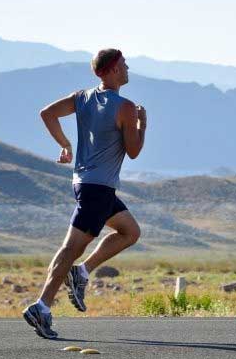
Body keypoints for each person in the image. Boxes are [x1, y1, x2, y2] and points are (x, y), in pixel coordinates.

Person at [22, 49, 145, 339]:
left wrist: (65, 145)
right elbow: (134, 151)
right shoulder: (125, 107)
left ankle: (82, 272)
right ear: (114, 69)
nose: (128, 69)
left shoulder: (82, 97)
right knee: (70, 248)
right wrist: (143, 124)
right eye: (124, 65)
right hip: (98, 189)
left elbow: (47, 113)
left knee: (130, 231)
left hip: (86, 183)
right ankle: (42, 306)